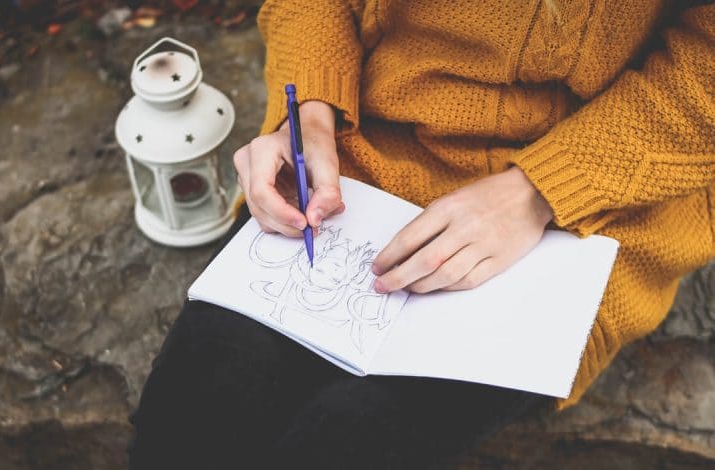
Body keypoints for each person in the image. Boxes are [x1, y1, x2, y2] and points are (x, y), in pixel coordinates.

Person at [128, 1, 714, 468]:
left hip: (595, 191)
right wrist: (308, 107)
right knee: (187, 424)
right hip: (361, 150)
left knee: (339, 444)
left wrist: (540, 192)